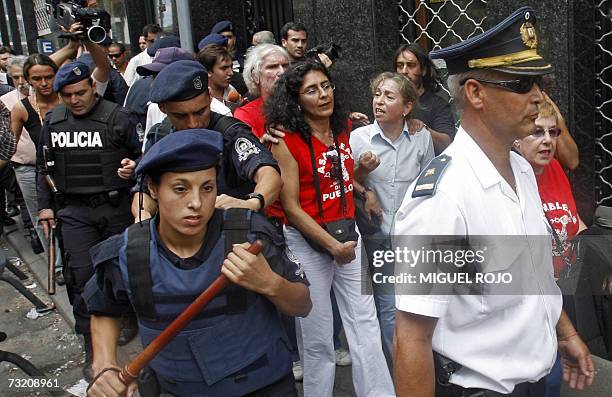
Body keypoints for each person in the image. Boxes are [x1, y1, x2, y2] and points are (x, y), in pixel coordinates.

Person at [393, 7, 595, 396]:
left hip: (542, 378)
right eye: (521, 84)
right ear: (475, 93)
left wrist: (565, 332)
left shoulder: (522, 173)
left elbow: (534, 277)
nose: (538, 97)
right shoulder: (443, 197)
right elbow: (411, 337)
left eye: (540, 82)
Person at [84, 129, 311, 397]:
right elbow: (104, 308)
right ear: (153, 189)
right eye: (180, 189)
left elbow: (302, 304)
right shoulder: (128, 253)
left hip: (265, 387)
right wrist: (105, 365)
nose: (196, 203)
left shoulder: (249, 235)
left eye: (207, 188)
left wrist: (270, 283)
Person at [265, 60, 394, 396]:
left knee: (366, 326)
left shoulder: (341, 129)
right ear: (296, 99)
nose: (323, 95)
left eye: (326, 86)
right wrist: (331, 246)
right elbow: (291, 207)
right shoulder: (285, 140)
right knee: (317, 338)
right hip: (308, 244)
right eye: (312, 90)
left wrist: (362, 191)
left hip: (349, 236)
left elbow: (336, 180)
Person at [36, 61, 142, 380]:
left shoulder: (118, 117)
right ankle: (91, 342)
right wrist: (45, 207)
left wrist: (131, 167)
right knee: (81, 275)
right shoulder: (53, 121)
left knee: (121, 270)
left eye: (80, 92)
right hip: (74, 210)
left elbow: (143, 155)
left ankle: (126, 317)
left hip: (114, 207)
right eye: (67, 95)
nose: (74, 100)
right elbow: (44, 167)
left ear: (92, 88)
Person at [350, 71, 434, 367]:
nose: (379, 102)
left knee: (420, 303)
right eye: (377, 95)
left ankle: (424, 366)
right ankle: (399, 371)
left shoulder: (421, 135)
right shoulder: (358, 138)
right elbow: (346, 182)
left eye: (389, 96)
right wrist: (364, 186)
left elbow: (430, 185)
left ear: (407, 107)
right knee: (387, 306)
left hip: (414, 236)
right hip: (379, 235)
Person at [134, 60, 282, 221]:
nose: (193, 123)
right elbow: (143, 191)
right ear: (163, 108)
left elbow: (268, 174)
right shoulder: (159, 136)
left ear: (210, 97)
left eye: (200, 112)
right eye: (181, 116)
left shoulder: (230, 133)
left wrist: (252, 203)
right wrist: (142, 215)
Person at [393, 43, 455, 154]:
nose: (404, 71)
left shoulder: (438, 104)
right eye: (400, 66)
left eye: (411, 65)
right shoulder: (388, 100)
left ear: (423, 70)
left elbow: (447, 144)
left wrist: (423, 129)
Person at [235, 44, 289, 139]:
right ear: (255, 76)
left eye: (285, 66)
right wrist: (262, 146)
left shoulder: (304, 103)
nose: (282, 72)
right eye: (272, 67)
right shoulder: (246, 115)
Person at [210, 20, 248, 95]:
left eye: (229, 37)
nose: (226, 41)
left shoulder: (244, 60)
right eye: (223, 37)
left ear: (234, 39)